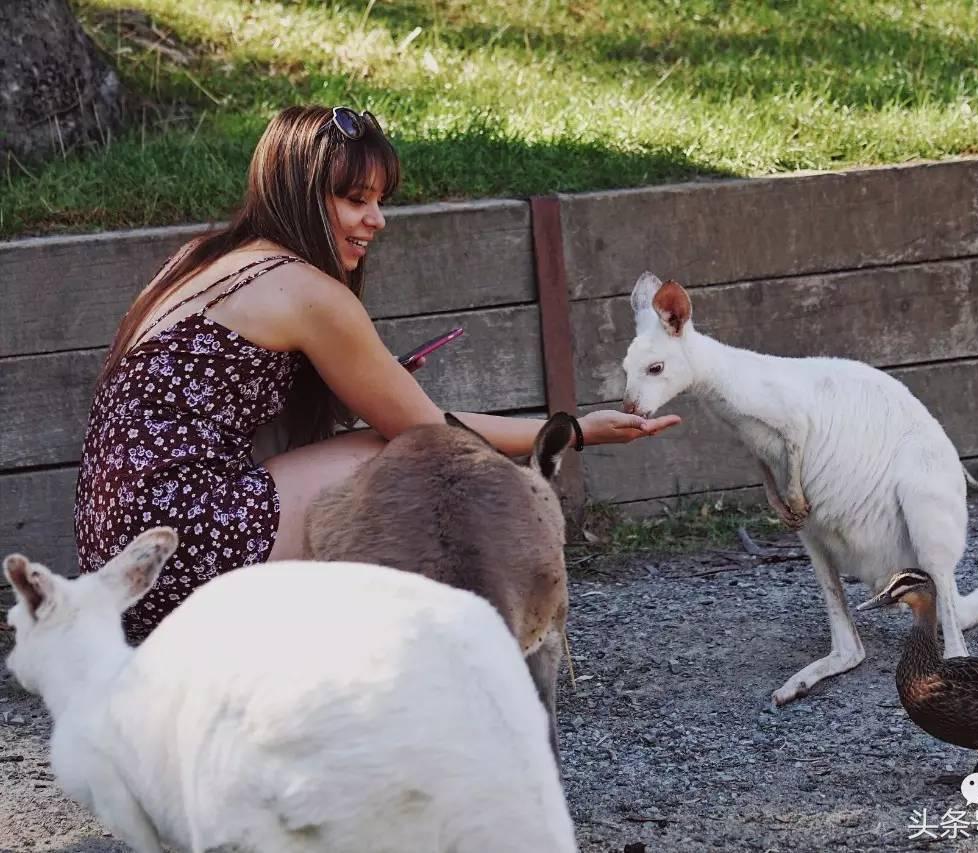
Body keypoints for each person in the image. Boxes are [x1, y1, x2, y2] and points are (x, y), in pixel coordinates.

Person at [74, 105, 681, 642]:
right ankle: (440, 645)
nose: (377, 220)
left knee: (367, 449)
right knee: (391, 459)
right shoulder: (305, 290)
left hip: (121, 563)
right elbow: (427, 431)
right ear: (299, 196)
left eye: (380, 201)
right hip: (178, 556)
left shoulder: (212, 258)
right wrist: (572, 431)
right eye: (355, 200)